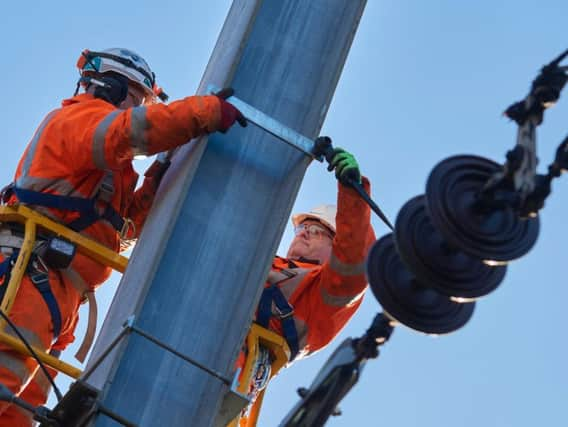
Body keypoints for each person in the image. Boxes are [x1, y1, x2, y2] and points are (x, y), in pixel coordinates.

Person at [0, 47, 246, 426]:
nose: (137, 108)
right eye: (135, 99)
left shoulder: (108, 169)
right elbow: (132, 131)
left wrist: (162, 171)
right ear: (109, 87)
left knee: (16, 414)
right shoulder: (77, 119)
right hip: (29, 281)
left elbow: (124, 226)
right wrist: (201, 112)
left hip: (54, 293)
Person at [238, 148, 376, 424]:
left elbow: (355, 260)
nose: (304, 235)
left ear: (335, 244)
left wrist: (353, 192)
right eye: (302, 230)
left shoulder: (321, 291)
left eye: (316, 231)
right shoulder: (265, 260)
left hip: (227, 366)